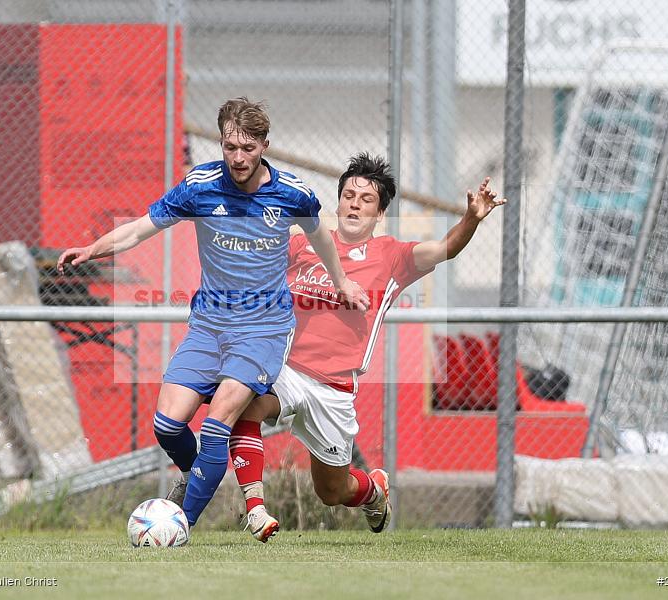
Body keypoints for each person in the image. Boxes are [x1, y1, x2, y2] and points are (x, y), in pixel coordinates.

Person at [57, 98, 368, 530]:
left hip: (263, 329)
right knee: (167, 425)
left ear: (264, 145)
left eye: (247, 148)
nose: (238, 158)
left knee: (219, 418)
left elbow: (321, 238)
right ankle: (197, 473)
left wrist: (341, 283)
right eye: (229, 147)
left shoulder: (292, 193)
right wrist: (93, 248)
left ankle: (179, 524)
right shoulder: (200, 186)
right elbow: (140, 227)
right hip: (208, 326)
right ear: (221, 143)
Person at [229, 153, 506, 541]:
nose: (354, 203)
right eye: (348, 195)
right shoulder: (303, 245)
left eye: (366, 198)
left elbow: (446, 248)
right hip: (287, 371)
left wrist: (472, 219)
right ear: (337, 202)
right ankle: (256, 511)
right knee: (244, 404)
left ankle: (374, 491)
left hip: (334, 390)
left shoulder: (392, 256)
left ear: (379, 214)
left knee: (332, 492)